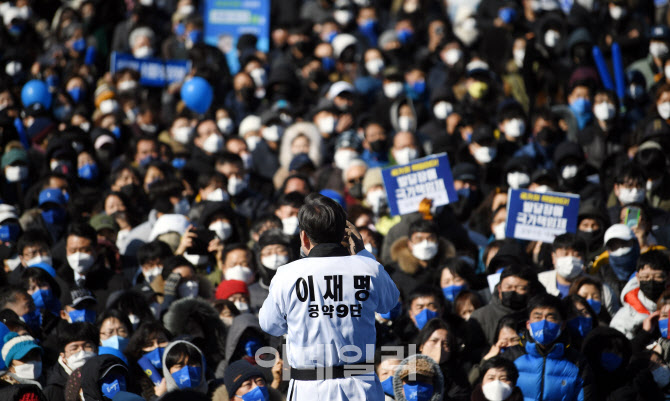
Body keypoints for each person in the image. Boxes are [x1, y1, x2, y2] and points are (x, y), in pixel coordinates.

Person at [259, 194, 399, 400]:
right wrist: (362, 253)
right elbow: (390, 302)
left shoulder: (287, 274)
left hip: (310, 390)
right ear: (346, 234)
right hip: (360, 387)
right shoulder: (368, 268)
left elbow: (270, 325)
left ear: (304, 237)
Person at [502, 294, 595, 401]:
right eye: (537, 317)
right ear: (528, 324)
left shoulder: (577, 362)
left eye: (551, 317)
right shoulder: (511, 357)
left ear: (562, 324)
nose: (543, 323)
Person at [610, 250, 670, 339]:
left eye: (658, 277)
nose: (651, 281)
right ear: (637, 278)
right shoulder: (624, 317)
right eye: (645, 277)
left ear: (668, 278)